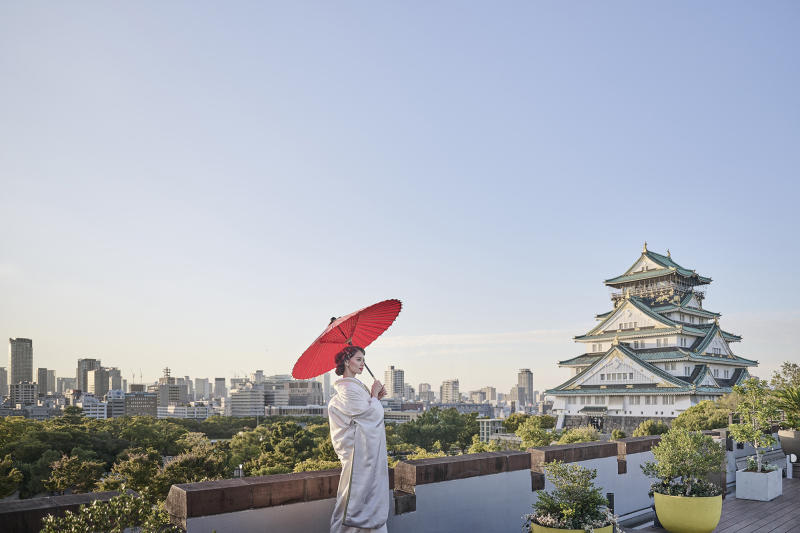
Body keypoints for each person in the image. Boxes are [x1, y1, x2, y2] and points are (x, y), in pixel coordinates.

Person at [328, 346, 389, 533]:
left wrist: (375, 397)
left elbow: (367, 412)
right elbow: (370, 416)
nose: (363, 364)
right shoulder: (347, 390)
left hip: (362, 452)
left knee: (363, 494)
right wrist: (373, 397)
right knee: (353, 495)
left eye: (363, 360)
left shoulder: (353, 388)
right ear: (347, 362)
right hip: (357, 453)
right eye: (359, 359)